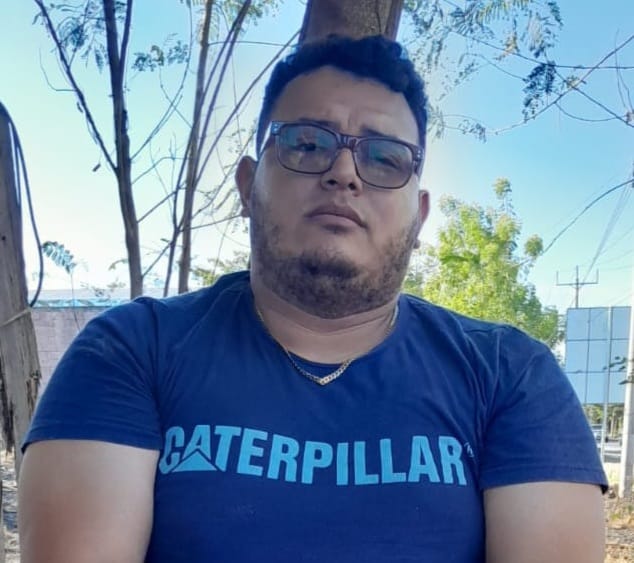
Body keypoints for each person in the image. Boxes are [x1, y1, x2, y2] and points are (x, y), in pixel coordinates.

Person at [19, 35, 606, 563]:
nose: (344, 173)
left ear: (419, 216)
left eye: (384, 158)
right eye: (306, 144)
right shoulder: (130, 352)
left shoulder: (509, 375)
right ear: (248, 185)